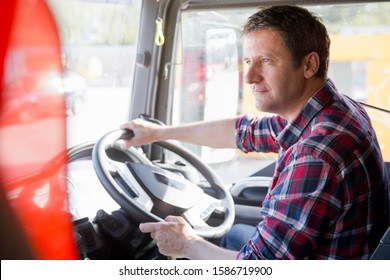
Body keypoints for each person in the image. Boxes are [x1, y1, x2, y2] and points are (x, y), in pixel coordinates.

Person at [120, 5, 390, 259]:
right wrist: (157, 133)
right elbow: (244, 132)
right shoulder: (331, 110)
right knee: (232, 234)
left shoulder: (316, 153)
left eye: (266, 61)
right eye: (248, 60)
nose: (249, 76)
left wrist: (186, 244)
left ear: (309, 65)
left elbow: (259, 266)